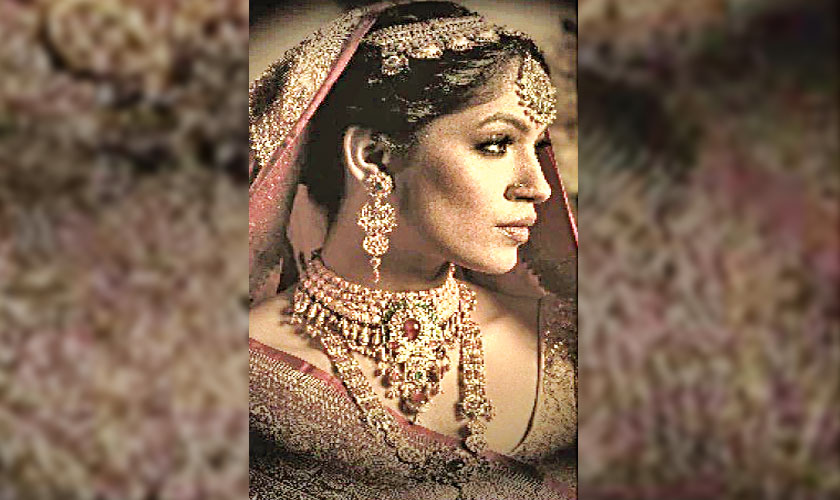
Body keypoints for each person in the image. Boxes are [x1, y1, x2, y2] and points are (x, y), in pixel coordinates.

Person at [248, 2, 577, 498]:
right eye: (496, 144)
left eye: (539, 149)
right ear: (373, 156)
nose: (539, 186)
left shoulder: (567, 347)